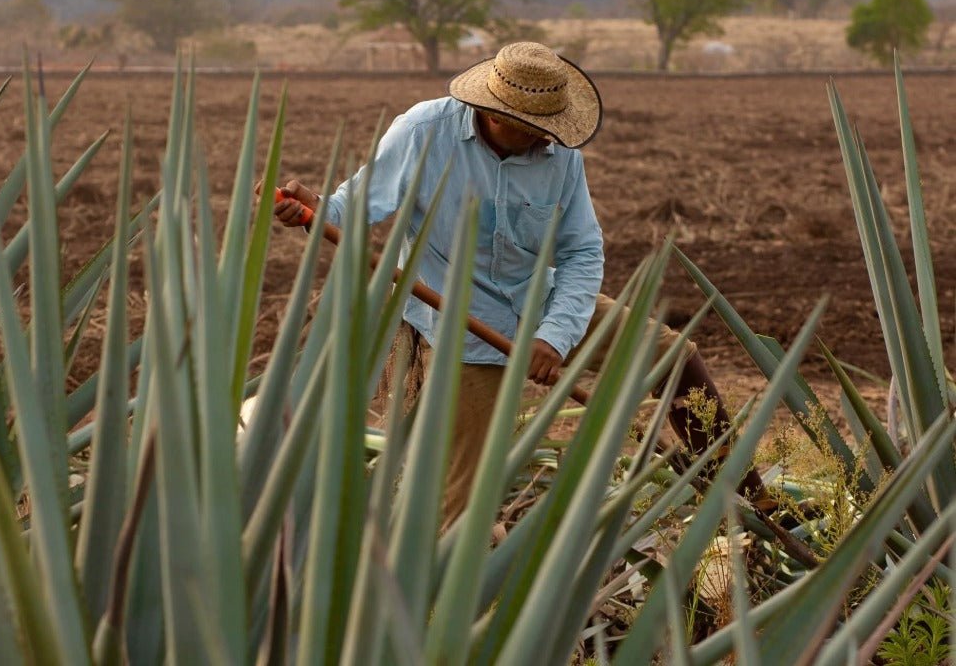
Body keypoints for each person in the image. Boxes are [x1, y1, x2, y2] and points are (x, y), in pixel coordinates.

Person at [273, 41, 764, 527]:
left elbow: (581, 252)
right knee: (466, 504)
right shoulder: (424, 133)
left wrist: (553, 337)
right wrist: (310, 208)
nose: (550, 138)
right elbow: (351, 209)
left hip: (540, 299)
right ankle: (438, 592)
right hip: (463, 331)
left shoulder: (560, 157)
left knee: (677, 358)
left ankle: (749, 501)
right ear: (498, 117)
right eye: (538, 129)